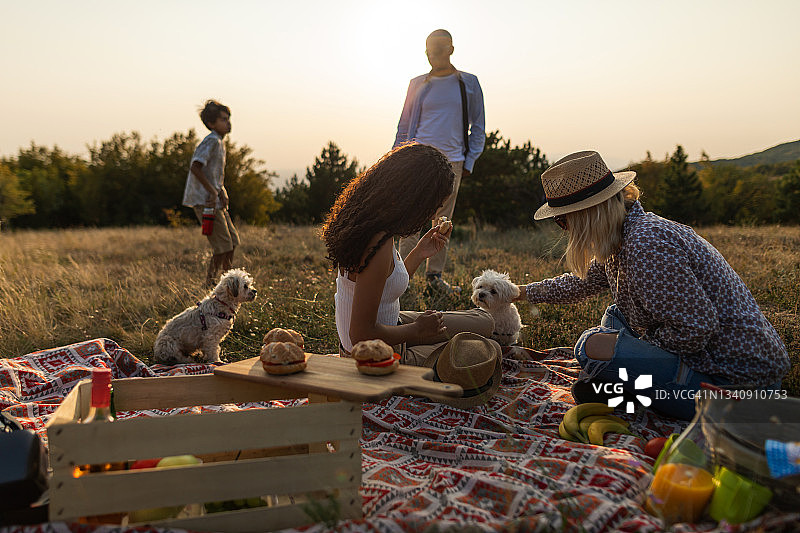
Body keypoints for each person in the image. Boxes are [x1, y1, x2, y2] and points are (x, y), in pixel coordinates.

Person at [512, 151, 790, 420]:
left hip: (736, 387)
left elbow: (698, 328)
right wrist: (517, 292)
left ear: (587, 215)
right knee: (616, 315)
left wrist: (642, 345)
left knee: (589, 346)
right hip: (718, 360)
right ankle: (632, 387)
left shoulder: (646, 245)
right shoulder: (628, 233)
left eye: (562, 220)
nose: (565, 229)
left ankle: (632, 389)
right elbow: (580, 283)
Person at [322, 143, 496, 366]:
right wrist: (417, 330)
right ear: (414, 199)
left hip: (390, 328)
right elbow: (361, 335)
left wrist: (420, 253)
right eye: (434, 205)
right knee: (489, 350)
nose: (433, 215)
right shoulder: (377, 243)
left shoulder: (373, 224)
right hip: (376, 355)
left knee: (484, 322)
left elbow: (384, 285)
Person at [394, 29, 485, 292]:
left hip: (453, 161)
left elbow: (479, 126)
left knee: (442, 222)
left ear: (451, 49)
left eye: (436, 49)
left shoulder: (469, 83)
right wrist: (397, 158)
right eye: (428, 50)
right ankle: (401, 279)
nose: (431, 55)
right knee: (410, 219)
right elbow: (403, 125)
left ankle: (434, 278)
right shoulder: (417, 83)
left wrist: (469, 162)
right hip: (417, 160)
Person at [182, 100, 240, 287]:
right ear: (211, 123)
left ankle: (226, 282)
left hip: (215, 200)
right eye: (223, 119)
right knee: (223, 245)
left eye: (228, 119)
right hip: (205, 201)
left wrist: (221, 191)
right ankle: (214, 285)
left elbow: (214, 174)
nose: (228, 123)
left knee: (232, 241)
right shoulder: (212, 141)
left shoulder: (220, 142)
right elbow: (196, 167)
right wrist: (212, 192)